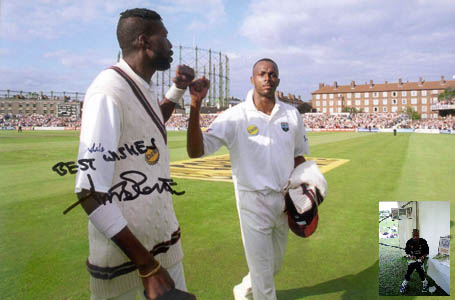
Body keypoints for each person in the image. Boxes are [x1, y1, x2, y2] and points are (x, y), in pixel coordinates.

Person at [74, 8, 205, 300]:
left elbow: (150, 121)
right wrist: (146, 265)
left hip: (163, 244)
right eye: (165, 38)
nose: (170, 46)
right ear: (144, 42)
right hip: (126, 261)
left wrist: (178, 89)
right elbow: (88, 191)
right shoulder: (108, 91)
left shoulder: (139, 85)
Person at [187, 58, 314, 300]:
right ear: (252, 79)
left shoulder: (291, 113)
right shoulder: (235, 116)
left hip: (284, 201)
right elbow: (196, 151)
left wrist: (302, 193)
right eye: (262, 73)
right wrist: (195, 105)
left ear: (278, 79)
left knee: (272, 267)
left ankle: (243, 291)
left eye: (272, 74)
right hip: (252, 202)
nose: (268, 78)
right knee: (265, 278)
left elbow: (298, 156)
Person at [400, 229, 429, 294]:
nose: (415, 237)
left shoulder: (423, 241)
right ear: (412, 235)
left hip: (421, 258)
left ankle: (424, 282)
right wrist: (411, 256)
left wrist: (423, 256)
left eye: (417, 235)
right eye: (414, 236)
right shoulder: (409, 242)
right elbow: (407, 252)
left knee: (417, 265)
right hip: (413, 258)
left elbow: (427, 252)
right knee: (411, 266)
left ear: (419, 235)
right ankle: (406, 281)